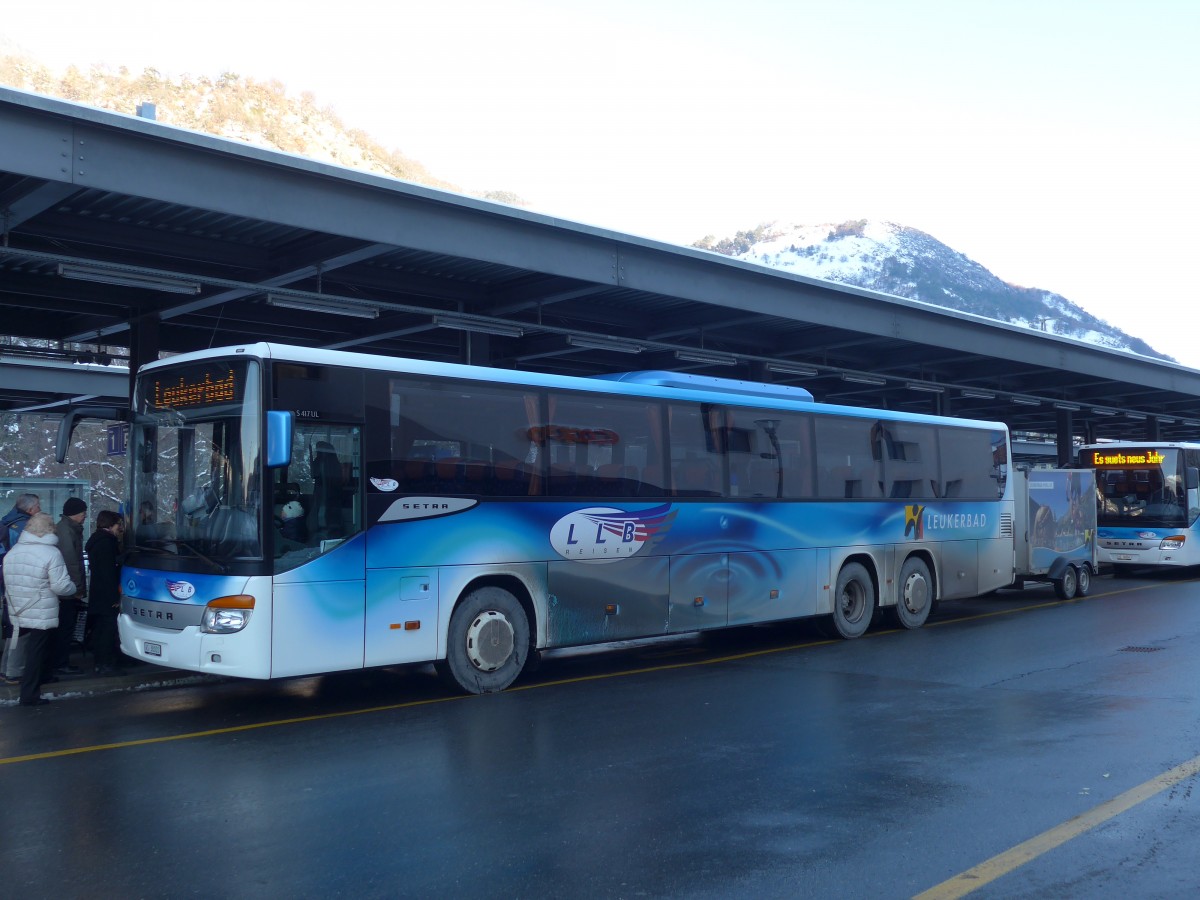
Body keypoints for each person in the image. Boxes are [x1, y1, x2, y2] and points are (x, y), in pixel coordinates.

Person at [3, 512, 76, 706]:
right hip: (41, 609)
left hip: (18, 608)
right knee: (38, 651)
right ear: (50, 530)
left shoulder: (14, 551)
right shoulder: (51, 553)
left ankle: (41, 678)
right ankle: (30, 694)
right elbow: (61, 586)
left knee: (26, 648)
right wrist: (74, 587)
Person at [0, 492, 40, 685]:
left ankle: (6, 668)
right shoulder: (24, 528)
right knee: (20, 629)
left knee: (12, 627)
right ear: (30, 509)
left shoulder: (7, 522)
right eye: (38, 507)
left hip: (7, 583)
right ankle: (14, 671)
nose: (39, 511)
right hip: (19, 584)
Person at [85, 510, 125, 676]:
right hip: (106, 594)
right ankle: (106, 664)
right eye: (118, 525)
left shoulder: (96, 540)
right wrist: (114, 597)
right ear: (110, 525)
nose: (120, 528)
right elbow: (108, 573)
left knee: (100, 628)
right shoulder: (107, 543)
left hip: (97, 592)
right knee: (107, 629)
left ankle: (99, 662)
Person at [53, 497, 88, 675]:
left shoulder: (67, 529)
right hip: (67, 590)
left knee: (64, 626)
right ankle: (61, 662)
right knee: (65, 626)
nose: (85, 517)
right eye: (83, 513)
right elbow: (71, 562)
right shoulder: (67, 531)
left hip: (65, 587)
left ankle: (60, 661)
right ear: (74, 514)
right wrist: (78, 588)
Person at [311, 440, 345, 536]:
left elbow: (314, 474)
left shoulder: (327, 464)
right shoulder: (327, 462)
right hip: (325, 498)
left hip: (328, 500)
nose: (317, 454)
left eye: (319, 451)